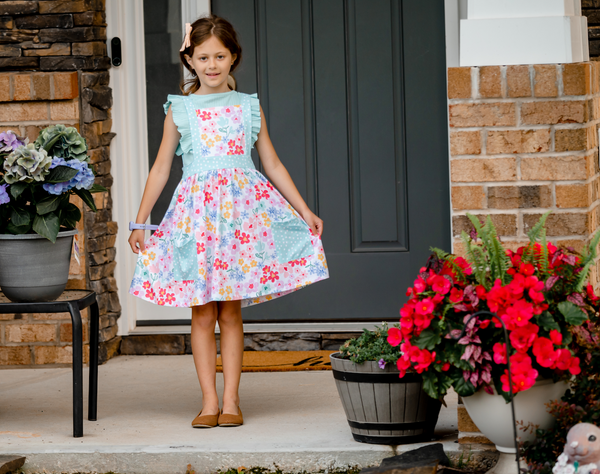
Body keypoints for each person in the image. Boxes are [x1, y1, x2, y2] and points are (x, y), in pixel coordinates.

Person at [128, 15, 329, 428]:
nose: (212, 64)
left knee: (231, 313)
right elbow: (162, 168)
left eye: (220, 55)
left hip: (240, 220)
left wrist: (304, 209)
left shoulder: (248, 106)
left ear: (233, 57)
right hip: (197, 220)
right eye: (203, 57)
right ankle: (208, 401)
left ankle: (233, 400)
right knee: (201, 312)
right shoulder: (179, 109)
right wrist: (139, 220)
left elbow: (270, 162)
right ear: (190, 59)